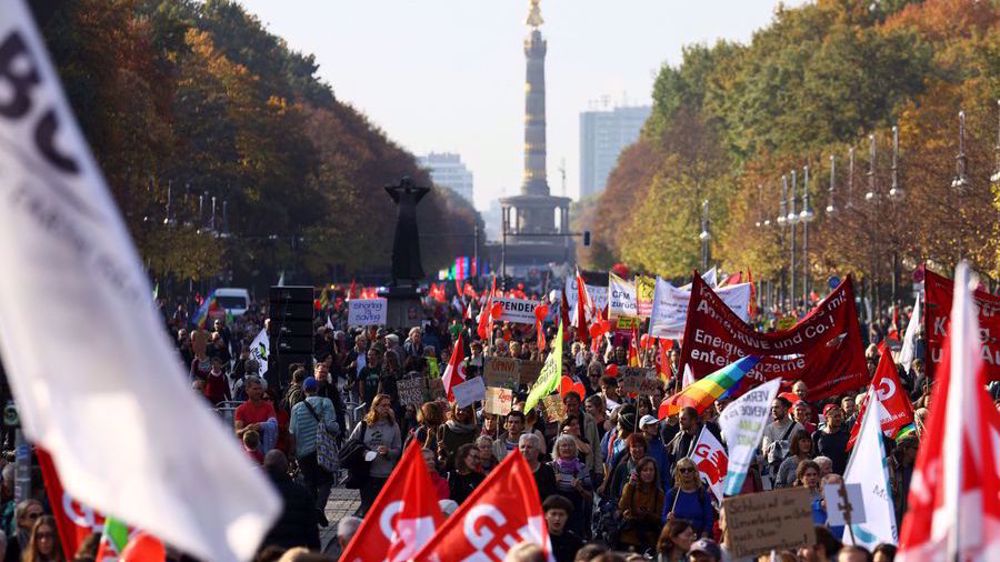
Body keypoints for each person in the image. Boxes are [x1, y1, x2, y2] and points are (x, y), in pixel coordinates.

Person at [289, 376, 340, 527]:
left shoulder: (296, 408)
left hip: (303, 452)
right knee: (326, 481)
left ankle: (314, 515)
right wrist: (337, 429)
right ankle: (319, 508)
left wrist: (293, 453)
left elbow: (293, 431)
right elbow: (331, 426)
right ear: (317, 389)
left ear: (304, 390)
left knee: (310, 483)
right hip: (321, 449)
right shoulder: (326, 402)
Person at [352, 393, 402, 516]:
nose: (387, 408)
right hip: (367, 475)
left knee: (385, 513)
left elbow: (398, 449)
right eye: (383, 405)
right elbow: (351, 445)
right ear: (375, 406)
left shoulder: (394, 426)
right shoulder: (364, 425)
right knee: (368, 512)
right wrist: (364, 453)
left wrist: (388, 452)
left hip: (386, 475)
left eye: (388, 405)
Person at [261, 450, 320, 551]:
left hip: (266, 554)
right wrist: (314, 552)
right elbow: (312, 530)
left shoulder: (255, 494)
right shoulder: (301, 493)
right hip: (293, 553)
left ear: (264, 467)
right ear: (286, 467)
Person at [618, 457, 665, 551]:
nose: (648, 473)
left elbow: (660, 517)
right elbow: (622, 507)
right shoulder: (630, 487)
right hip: (628, 537)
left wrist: (647, 514)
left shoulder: (658, 493)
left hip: (648, 539)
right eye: (645, 470)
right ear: (639, 472)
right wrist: (630, 486)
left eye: (651, 470)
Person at [549, 434, 592, 536]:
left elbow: (590, 497)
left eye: (570, 445)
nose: (567, 448)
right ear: (558, 449)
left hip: (575, 516)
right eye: (563, 445)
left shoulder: (582, 468)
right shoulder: (550, 467)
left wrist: (580, 489)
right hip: (555, 515)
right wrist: (553, 483)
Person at [662, 458, 714, 538]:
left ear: (694, 472)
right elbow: (663, 518)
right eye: (682, 470)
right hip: (678, 540)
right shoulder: (671, 494)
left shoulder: (703, 494)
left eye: (690, 469)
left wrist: (704, 535)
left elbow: (709, 519)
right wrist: (668, 519)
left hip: (698, 539)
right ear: (678, 473)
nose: (686, 472)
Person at [762, 396, 803, 479]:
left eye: (777, 407)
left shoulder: (798, 427)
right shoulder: (769, 428)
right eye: (772, 408)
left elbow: (803, 449)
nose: (773, 410)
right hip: (776, 474)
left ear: (785, 409)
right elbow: (765, 452)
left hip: (795, 471)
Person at [235, 376, 278, 451]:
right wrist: (247, 429)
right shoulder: (240, 409)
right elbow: (238, 433)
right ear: (247, 390)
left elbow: (273, 425)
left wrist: (261, 426)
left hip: (266, 450)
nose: (258, 392)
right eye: (255, 389)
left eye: (260, 389)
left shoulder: (269, 407)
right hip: (248, 452)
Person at [438, 404, 479, 469]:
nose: (461, 412)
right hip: (450, 469)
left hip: (468, 469)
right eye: (459, 409)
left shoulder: (473, 430)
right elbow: (440, 453)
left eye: (464, 410)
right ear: (454, 411)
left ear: (469, 412)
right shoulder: (444, 428)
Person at [544, 495, 583, 562]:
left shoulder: (574, 541)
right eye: (553, 514)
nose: (557, 518)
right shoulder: (539, 540)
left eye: (561, 514)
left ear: (567, 516)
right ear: (546, 515)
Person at [812, 405, 850, 476]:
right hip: (823, 477)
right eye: (835, 416)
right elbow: (813, 456)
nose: (838, 419)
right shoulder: (817, 435)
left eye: (839, 416)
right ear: (826, 418)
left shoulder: (846, 435)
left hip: (843, 476)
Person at [520, 433, 557, 503]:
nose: (525, 450)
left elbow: (551, 497)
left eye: (529, 447)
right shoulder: (513, 471)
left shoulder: (547, 471)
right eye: (522, 447)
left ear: (537, 451)